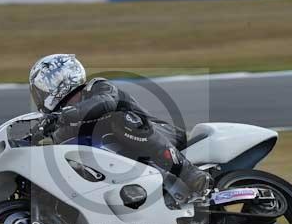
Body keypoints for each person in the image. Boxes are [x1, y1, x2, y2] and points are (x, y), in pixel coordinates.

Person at [28, 53, 212, 199]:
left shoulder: (96, 87)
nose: (40, 96)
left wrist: (68, 115)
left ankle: (189, 173)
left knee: (120, 120)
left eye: (42, 89)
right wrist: (32, 137)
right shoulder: (63, 119)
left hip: (158, 134)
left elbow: (106, 102)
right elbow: (53, 140)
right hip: (126, 164)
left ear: (60, 81)